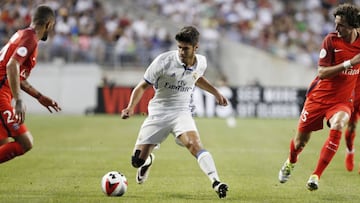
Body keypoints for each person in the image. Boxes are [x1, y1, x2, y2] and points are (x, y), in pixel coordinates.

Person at [121, 26, 229, 198]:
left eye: (185, 48)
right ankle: (147, 161)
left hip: (181, 112)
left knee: (194, 145)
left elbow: (197, 77)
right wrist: (130, 107)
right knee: (136, 161)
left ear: (196, 47)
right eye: (179, 47)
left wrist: (216, 93)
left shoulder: (201, 62)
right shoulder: (163, 61)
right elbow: (142, 86)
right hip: (159, 112)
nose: (180, 51)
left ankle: (216, 182)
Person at [278, 3, 360, 191]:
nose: (336, 28)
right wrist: (349, 63)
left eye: (341, 25)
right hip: (318, 97)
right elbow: (322, 73)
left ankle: (316, 175)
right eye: (335, 23)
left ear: (354, 26)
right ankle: (291, 161)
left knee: (339, 124)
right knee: (300, 143)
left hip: (342, 101)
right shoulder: (330, 41)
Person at [0, 5, 61, 164]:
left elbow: (17, 75)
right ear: (48, 24)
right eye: (52, 26)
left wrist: (39, 96)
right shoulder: (31, 38)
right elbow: (12, 66)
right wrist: (19, 101)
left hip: (4, 93)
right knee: (25, 142)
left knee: (4, 144)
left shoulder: (22, 34)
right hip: (1, 96)